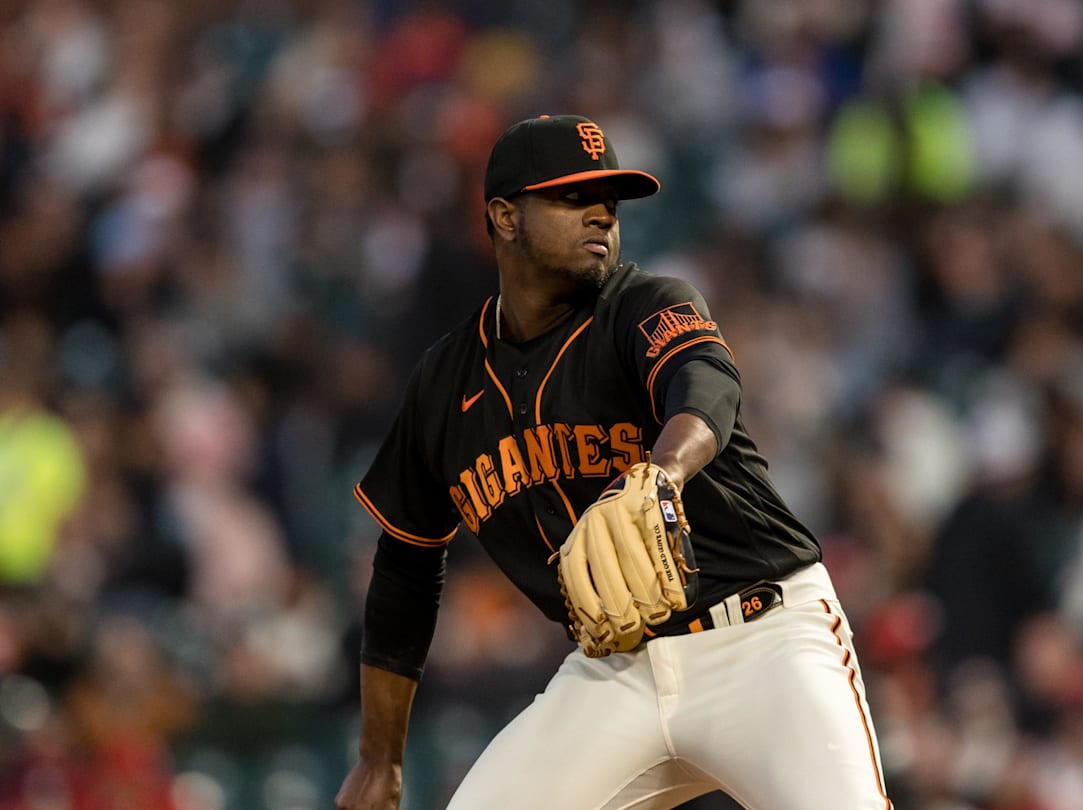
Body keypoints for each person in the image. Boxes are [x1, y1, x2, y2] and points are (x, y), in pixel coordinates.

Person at [334, 114, 892, 809]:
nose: (601, 212)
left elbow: (705, 387)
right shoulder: (445, 386)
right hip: (613, 671)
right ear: (505, 216)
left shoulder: (645, 305)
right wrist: (380, 760)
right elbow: (405, 567)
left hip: (761, 640)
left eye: (610, 199)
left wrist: (664, 472)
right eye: (572, 197)